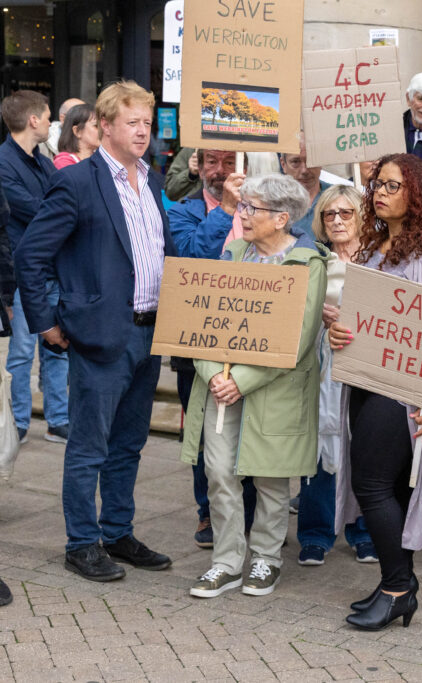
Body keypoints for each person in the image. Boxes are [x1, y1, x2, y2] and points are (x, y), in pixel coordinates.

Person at [14, 80, 175, 581]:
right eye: (133, 122)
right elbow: (30, 255)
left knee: (129, 443)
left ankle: (118, 531)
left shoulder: (152, 180)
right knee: (90, 446)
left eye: (148, 123)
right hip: (102, 334)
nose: (143, 131)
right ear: (104, 125)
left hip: (152, 333)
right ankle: (82, 542)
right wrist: (48, 323)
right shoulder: (79, 182)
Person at [329, 153, 422, 630]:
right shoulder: (371, 250)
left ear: (417, 192)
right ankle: (397, 579)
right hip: (366, 381)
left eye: (392, 185)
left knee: (371, 484)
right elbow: (362, 321)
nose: (380, 194)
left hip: (408, 393)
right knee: (383, 486)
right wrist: (338, 332)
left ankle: (397, 588)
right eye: (377, 185)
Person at [183, 174, 328, 598]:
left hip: (275, 389)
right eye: (242, 206)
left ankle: (266, 559)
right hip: (220, 386)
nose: (241, 214)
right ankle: (226, 562)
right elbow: (201, 320)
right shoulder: (232, 254)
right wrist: (213, 373)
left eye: (252, 208)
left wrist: (243, 381)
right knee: (219, 473)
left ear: (282, 218)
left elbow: (299, 338)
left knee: (270, 477)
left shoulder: (308, 264)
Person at [166, 149, 258, 549]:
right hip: (198, 345)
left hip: (253, 344)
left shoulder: (263, 211)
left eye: (228, 162)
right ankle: (209, 511)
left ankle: (249, 514)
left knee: (253, 433)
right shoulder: (183, 211)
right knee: (205, 433)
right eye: (211, 163)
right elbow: (191, 258)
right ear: (198, 168)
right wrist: (225, 209)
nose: (220, 171)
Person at [299, 184, 378, 567]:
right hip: (321, 364)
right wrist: (320, 314)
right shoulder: (312, 259)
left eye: (346, 213)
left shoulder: (380, 259)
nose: (337, 221)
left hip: (363, 365)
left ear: (361, 218)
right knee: (318, 446)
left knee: (362, 448)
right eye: (329, 214)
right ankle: (315, 534)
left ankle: (362, 530)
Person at [0, 90, 68, 446]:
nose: (52, 122)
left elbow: (60, 200)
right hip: (25, 274)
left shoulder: (43, 159)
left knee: (57, 349)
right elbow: (40, 210)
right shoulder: (3, 163)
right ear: (33, 121)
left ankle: (59, 420)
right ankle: (19, 422)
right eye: (48, 115)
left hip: (53, 269)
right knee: (23, 352)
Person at [53, 104, 99, 169]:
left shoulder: (101, 159)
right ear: (77, 131)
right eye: (96, 126)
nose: (103, 131)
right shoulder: (63, 162)